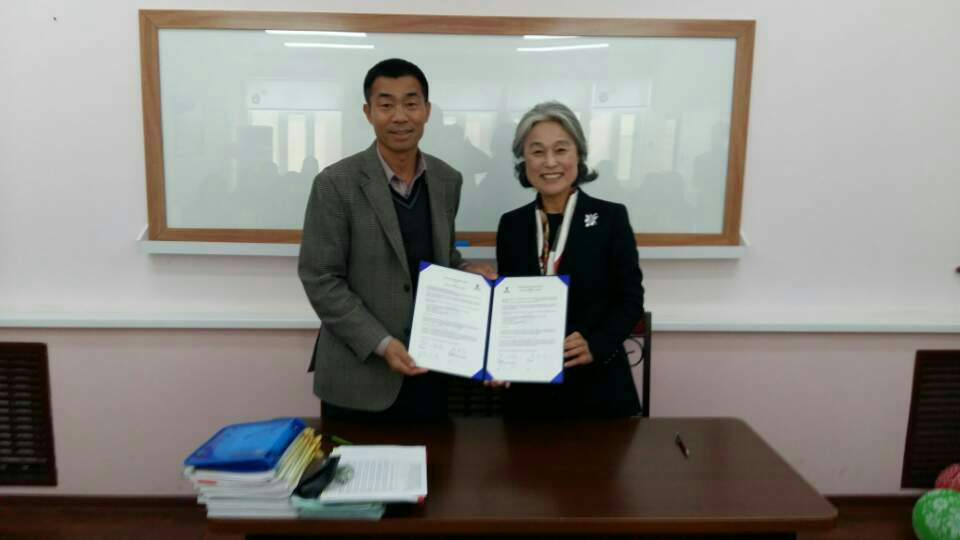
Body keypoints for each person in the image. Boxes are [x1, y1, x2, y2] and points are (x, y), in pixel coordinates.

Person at [298, 58, 495, 420]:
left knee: (437, 458)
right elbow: (321, 278)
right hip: (359, 377)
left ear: (427, 110)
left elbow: (438, 256)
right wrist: (382, 343)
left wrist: (467, 270)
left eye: (411, 103)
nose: (400, 116)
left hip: (431, 371)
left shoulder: (447, 180)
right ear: (368, 112)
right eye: (386, 105)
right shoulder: (335, 184)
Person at [495, 101, 645, 418]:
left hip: (598, 389)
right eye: (537, 151)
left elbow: (631, 299)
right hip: (529, 395)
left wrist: (596, 344)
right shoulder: (511, 225)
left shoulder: (611, 218)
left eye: (561, 150)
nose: (550, 162)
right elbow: (508, 307)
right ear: (524, 160)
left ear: (579, 154)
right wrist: (497, 357)